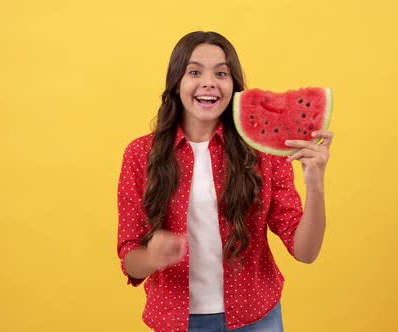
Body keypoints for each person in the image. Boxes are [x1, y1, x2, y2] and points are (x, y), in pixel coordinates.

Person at [116, 31, 333, 332]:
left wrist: (315, 183)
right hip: (178, 321)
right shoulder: (140, 154)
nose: (209, 82)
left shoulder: (264, 154)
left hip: (257, 318)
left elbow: (306, 251)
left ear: (233, 87)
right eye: (194, 72)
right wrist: (152, 256)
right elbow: (130, 261)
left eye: (221, 73)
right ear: (176, 83)